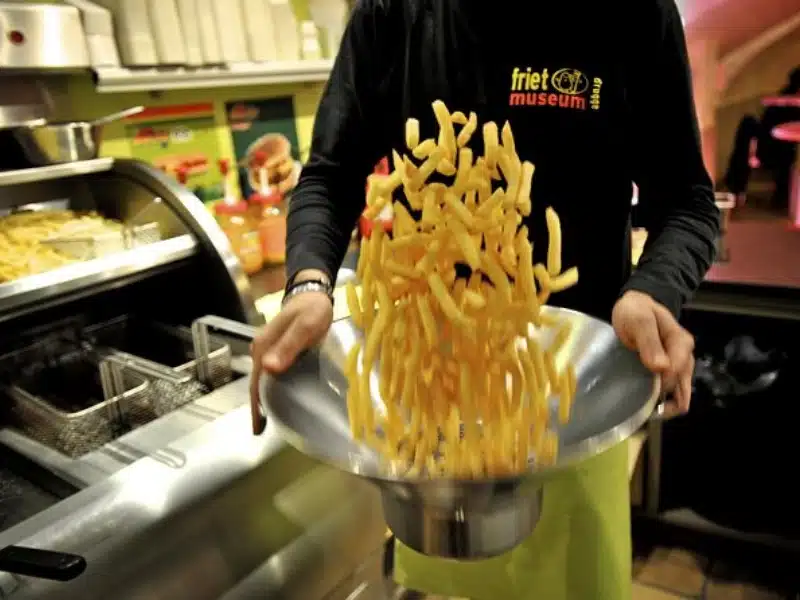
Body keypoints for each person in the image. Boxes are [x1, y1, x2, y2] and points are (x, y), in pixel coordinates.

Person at [249, 0, 719, 598]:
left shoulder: (632, 14)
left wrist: (654, 291)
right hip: (424, 417)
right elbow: (330, 174)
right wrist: (310, 283)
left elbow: (686, 201)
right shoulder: (391, 14)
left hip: (566, 412)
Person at [724, 66, 800, 209]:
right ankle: (783, 198)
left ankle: (782, 197)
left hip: (776, 150)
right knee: (789, 152)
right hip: (778, 152)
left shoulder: (780, 101)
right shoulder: (783, 103)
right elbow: (770, 129)